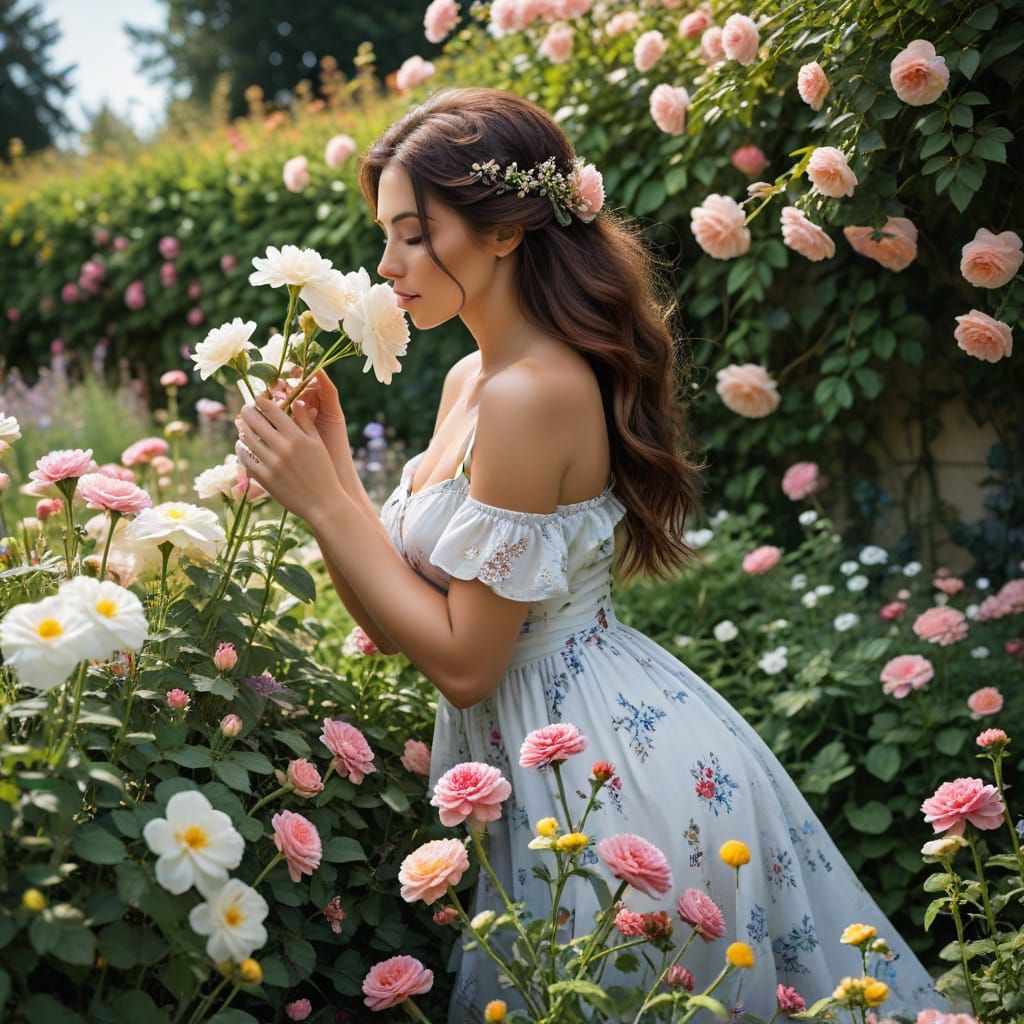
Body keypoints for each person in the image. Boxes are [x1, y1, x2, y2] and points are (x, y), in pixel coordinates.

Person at [234, 87, 944, 1021]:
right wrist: (332, 465)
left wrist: (326, 502)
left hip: (600, 782)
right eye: (386, 235)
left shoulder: (533, 393)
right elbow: (401, 618)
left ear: (503, 231)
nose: (388, 265)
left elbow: (465, 665)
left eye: (415, 233)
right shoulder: (470, 379)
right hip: (537, 758)